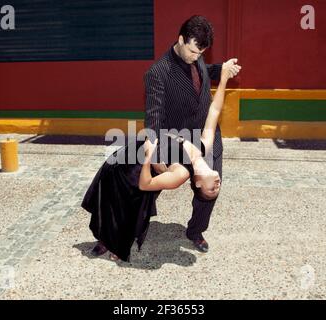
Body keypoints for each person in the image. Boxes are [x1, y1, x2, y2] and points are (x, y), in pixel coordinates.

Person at [81, 60, 240, 262]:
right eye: (216, 189)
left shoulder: (180, 174)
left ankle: (113, 241)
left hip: (137, 169)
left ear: (198, 183)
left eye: (211, 190)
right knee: (110, 197)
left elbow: (145, 183)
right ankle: (107, 240)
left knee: (125, 206)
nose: (217, 186)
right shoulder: (203, 146)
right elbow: (215, 110)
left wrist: (148, 158)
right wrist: (224, 78)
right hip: (128, 156)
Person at [143, 15, 241, 253]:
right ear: (180, 39)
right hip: (175, 140)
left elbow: (202, 72)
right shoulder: (158, 72)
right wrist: (154, 152)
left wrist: (222, 70)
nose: (197, 57)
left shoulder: (195, 57)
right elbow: (154, 114)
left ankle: (195, 231)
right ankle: (132, 227)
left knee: (210, 189)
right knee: (150, 189)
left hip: (207, 137)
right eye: (193, 51)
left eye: (201, 52)